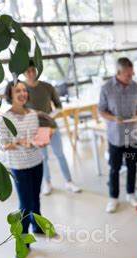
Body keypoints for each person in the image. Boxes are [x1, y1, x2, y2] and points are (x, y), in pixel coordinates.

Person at [0, 81, 47, 252]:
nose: (22, 93)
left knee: (36, 198)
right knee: (24, 204)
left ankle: (37, 227)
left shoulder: (33, 114)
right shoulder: (5, 118)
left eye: (24, 90)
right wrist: (20, 142)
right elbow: (2, 145)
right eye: (17, 90)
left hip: (36, 162)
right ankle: (22, 240)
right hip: (19, 166)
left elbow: (35, 137)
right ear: (10, 94)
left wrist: (42, 140)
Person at [98, 57, 137, 213]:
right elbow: (101, 110)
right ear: (118, 73)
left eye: (132, 74)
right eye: (128, 75)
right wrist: (114, 118)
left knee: (132, 166)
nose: (131, 77)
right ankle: (113, 198)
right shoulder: (106, 88)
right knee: (114, 168)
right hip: (115, 136)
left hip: (133, 135)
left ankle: (131, 194)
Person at [24, 60, 81, 195]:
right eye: (28, 71)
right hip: (35, 130)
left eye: (33, 70)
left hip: (51, 127)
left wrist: (50, 116)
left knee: (60, 154)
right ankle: (47, 183)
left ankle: (69, 181)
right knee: (43, 158)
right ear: (24, 73)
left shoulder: (47, 87)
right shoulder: (22, 90)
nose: (31, 73)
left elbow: (59, 106)